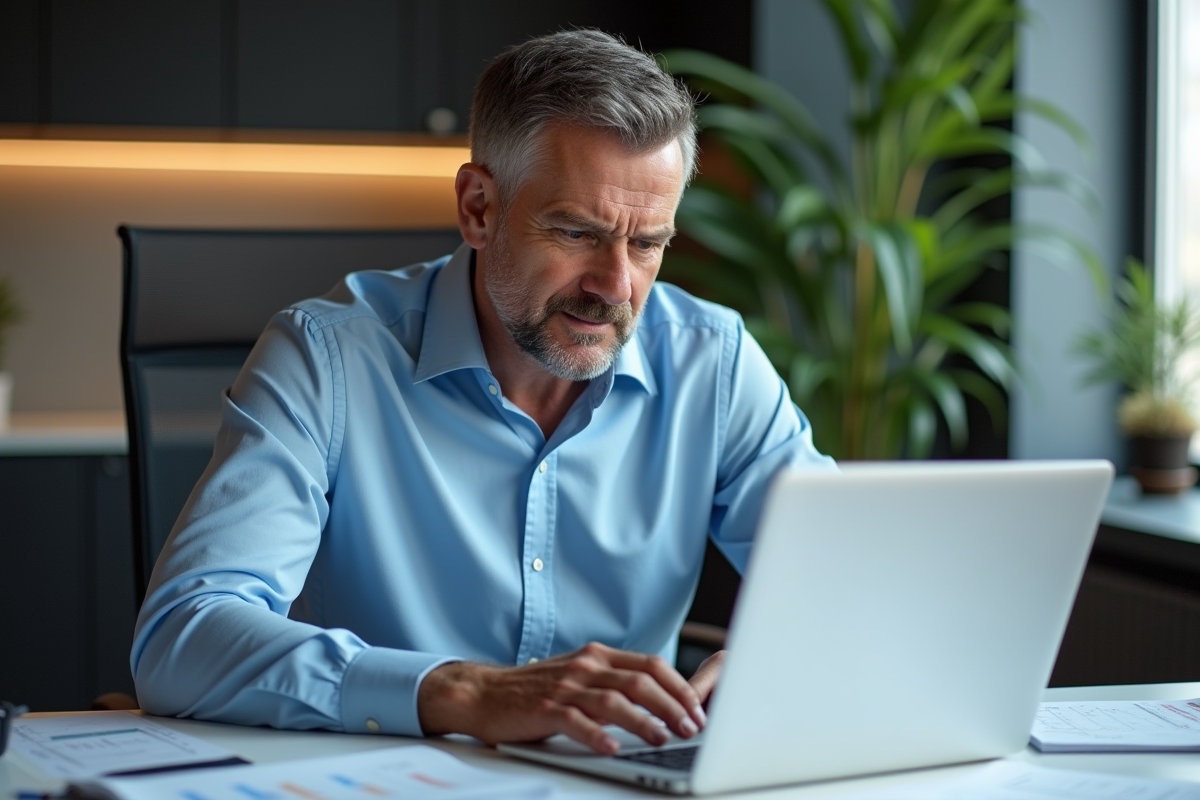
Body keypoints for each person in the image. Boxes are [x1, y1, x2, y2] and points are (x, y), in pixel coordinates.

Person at [131, 29, 833, 756]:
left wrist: (781, 662)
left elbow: (858, 580)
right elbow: (182, 637)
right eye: (574, 232)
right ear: (477, 208)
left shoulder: (712, 362)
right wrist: (465, 694)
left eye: (648, 243)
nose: (616, 287)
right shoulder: (327, 358)